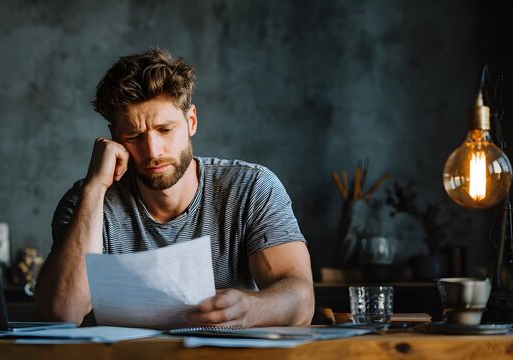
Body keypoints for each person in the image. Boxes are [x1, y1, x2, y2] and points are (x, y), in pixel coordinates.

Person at [34, 47, 314, 328]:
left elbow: (302, 302)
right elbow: (63, 313)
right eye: (133, 136)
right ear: (114, 137)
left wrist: (251, 310)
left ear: (191, 121)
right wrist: (95, 189)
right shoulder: (87, 201)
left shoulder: (251, 188)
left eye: (165, 130)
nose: (152, 150)